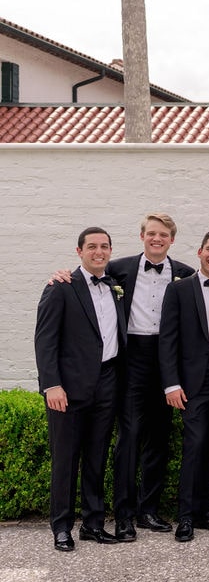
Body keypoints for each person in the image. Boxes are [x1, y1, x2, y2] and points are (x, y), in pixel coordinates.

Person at [48, 213, 195, 540]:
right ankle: (125, 515)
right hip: (132, 361)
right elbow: (87, 276)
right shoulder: (119, 269)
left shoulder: (185, 274)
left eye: (164, 235)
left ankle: (148, 510)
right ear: (142, 236)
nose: (157, 239)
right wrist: (61, 275)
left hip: (168, 360)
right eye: (152, 234)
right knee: (128, 438)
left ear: (172, 239)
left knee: (159, 438)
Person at [35, 227, 127, 551]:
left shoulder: (116, 285)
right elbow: (45, 340)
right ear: (79, 251)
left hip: (107, 382)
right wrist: (51, 385)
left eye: (104, 246)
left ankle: (93, 524)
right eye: (92, 246)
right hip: (68, 389)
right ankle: (61, 527)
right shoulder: (61, 287)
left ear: (110, 251)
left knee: (97, 458)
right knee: (65, 460)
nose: (98, 252)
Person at [159, 229, 209, 542]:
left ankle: (205, 512)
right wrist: (171, 384)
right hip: (195, 381)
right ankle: (185, 517)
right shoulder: (179, 291)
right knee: (194, 446)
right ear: (200, 252)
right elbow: (167, 340)